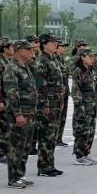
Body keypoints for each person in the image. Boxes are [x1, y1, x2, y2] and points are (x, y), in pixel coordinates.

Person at [2, 39, 38, 189]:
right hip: (20, 113)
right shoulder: (12, 68)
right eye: (28, 49)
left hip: (29, 112)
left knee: (26, 146)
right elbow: (12, 93)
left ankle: (20, 174)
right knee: (16, 146)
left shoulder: (25, 67)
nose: (31, 52)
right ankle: (13, 178)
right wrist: (18, 114)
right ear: (20, 51)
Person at [34, 34, 65, 177]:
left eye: (55, 42)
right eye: (52, 42)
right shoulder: (42, 61)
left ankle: (50, 165)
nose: (55, 44)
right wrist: (44, 104)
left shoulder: (53, 59)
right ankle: (43, 167)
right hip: (48, 103)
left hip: (56, 102)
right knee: (46, 136)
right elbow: (40, 86)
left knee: (52, 136)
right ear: (44, 44)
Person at [71, 48, 97, 165]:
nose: (93, 59)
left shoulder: (90, 70)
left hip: (92, 106)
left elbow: (91, 87)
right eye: (90, 56)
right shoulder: (78, 71)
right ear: (83, 57)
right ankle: (79, 156)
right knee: (82, 132)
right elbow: (75, 91)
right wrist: (80, 107)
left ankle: (86, 153)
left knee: (90, 132)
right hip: (84, 107)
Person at [0, 38, 14, 163]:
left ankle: (6, 151)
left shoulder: (8, 61)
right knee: (1, 127)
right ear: (5, 49)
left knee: (7, 127)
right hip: (2, 100)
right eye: (11, 47)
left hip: (8, 99)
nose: (13, 49)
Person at [54, 40, 70, 148]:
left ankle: (59, 138)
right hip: (58, 93)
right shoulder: (54, 60)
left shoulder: (62, 60)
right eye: (62, 46)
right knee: (57, 116)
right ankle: (55, 138)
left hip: (64, 91)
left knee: (62, 116)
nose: (64, 49)